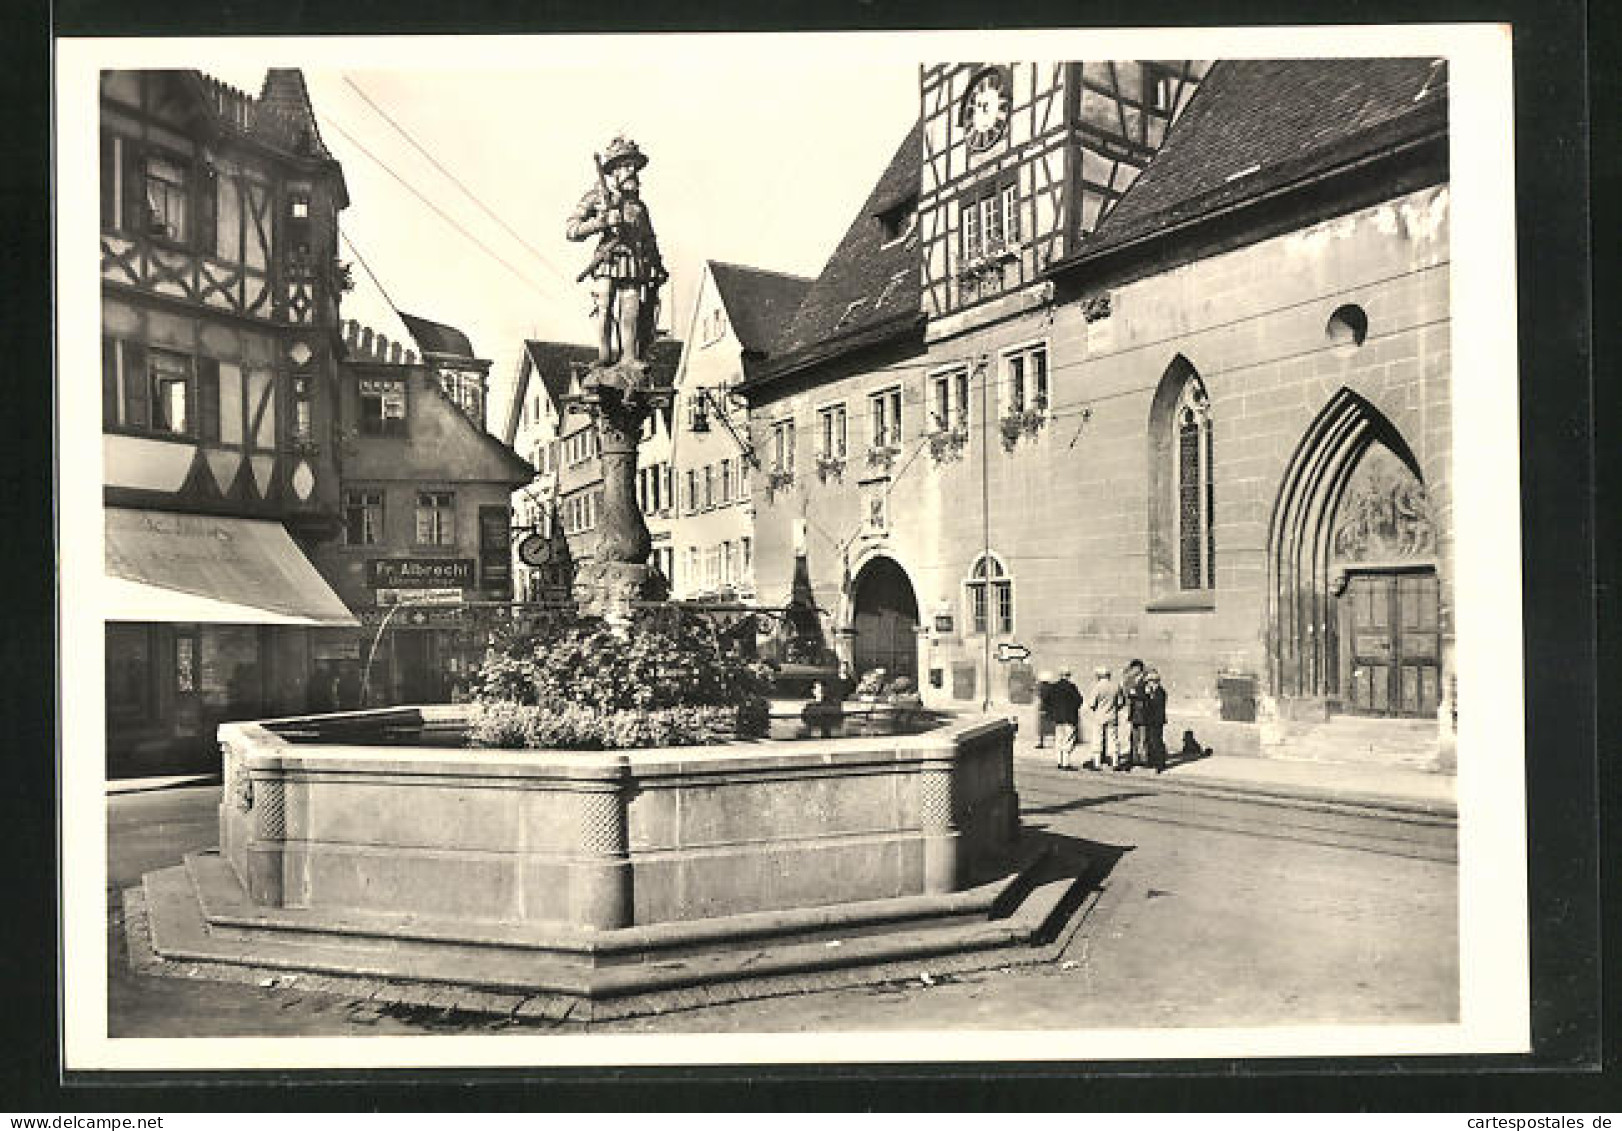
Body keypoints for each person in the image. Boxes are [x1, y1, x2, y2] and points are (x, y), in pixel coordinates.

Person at [565, 136, 669, 369]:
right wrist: (600, 222)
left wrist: (658, 266)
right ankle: (604, 354)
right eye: (625, 165)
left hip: (633, 262)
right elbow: (571, 229)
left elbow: (649, 239)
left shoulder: (639, 207)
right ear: (613, 171)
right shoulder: (597, 196)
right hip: (607, 258)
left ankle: (629, 357)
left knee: (630, 308)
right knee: (604, 305)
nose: (632, 171)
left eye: (634, 166)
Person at [1082, 665, 1121, 771]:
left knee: (1097, 739)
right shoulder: (1116, 686)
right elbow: (1121, 702)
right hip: (1112, 715)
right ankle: (1115, 762)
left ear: (1099, 675)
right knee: (1113, 739)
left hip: (1099, 716)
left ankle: (1097, 763)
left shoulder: (1097, 687)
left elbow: (1091, 703)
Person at [1047, 667, 1083, 771]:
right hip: (1069, 718)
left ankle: (1059, 761)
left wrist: (1054, 711)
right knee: (1068, 740)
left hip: (1058, 718)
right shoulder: (1071, 687)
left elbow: (1048, 700)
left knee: (1059, 739)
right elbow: (1079, 700)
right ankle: (1065, 762)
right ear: (1068, 675)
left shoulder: (1054, 687)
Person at [1119, 658, 1147, 771]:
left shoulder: (1145, 680)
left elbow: (1145, 696)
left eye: (1133, 668)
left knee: (1143, 738)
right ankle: (1135, 758)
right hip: (1134, 713)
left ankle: (1143, 760)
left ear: (1139, 669)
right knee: (1134, 737)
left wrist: (1134, 693)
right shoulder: (1133, 680)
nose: (1132, 671)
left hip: (1143, 713)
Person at [1141, 668, 1169, 773]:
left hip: (1156, 720)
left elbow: (1155, 706)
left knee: (1157, 741)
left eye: (1149, 682)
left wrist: (1149, 697)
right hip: (1152, 720)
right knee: (1151, 741)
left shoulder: (1160, 692)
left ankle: (1160, 763)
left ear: (1154, 681)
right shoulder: (1156, 691)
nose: (1148, 684)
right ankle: (1153, 761)